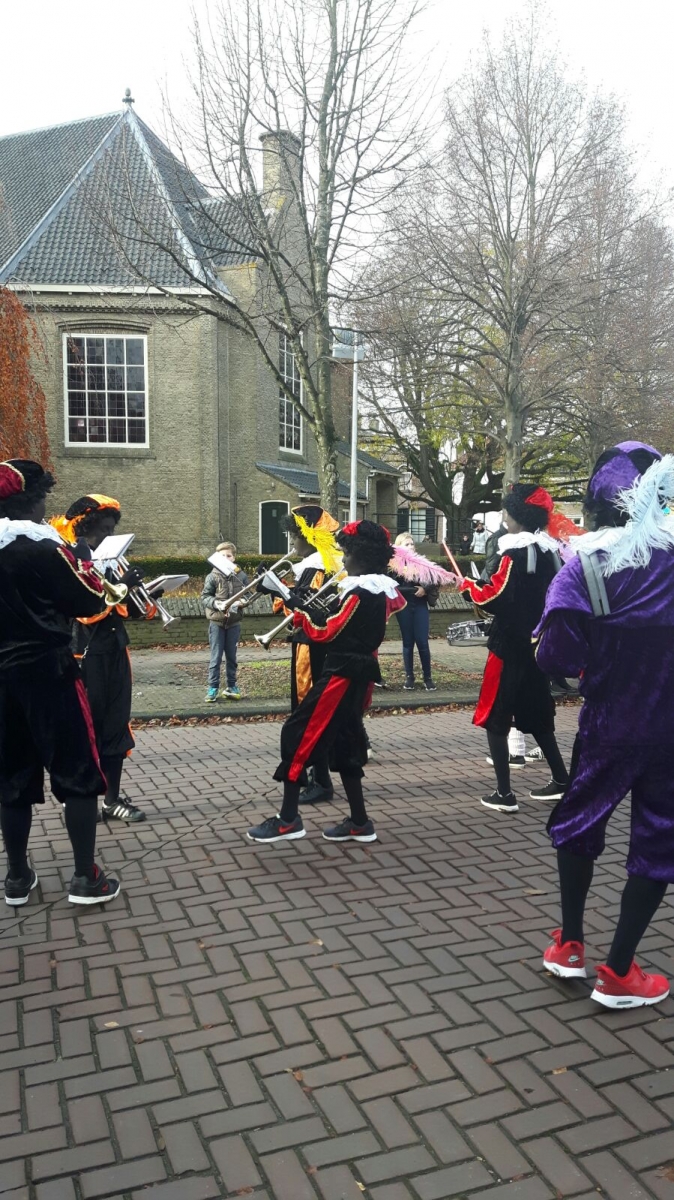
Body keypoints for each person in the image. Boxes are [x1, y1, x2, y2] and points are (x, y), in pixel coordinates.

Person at [537, 441, 674, 1009]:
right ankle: (619, 971)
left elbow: (557, 659)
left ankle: (570, 944)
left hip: (609, 723)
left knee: (580, 820)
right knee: (661, 837)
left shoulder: (584, 566)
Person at [0, 460, 120, 906]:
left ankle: (16, 877)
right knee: (77, 771)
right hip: (49, 671)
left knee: (11, 777)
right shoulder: (44, 548)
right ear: (32, 500)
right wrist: (88, 568)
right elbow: (88, 601)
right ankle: (86, 877)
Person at [247, 520, 406, 844]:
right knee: (346, 743)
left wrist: (293, 602)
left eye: (347, 553)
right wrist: (291, 595)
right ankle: (359, 822)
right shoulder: (376, 589)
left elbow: (325, 630)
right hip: (356, 673)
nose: (342, 559)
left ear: (361, 555)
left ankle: (288, 819)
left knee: (296, 732)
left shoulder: (360, 592)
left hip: (342, 674)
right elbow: (332, 616)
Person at [459, 483, 569, 813]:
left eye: (507, 512)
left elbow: (493, 596)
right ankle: (561, 779)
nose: (504, 518)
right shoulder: (551, 554)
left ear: (519, 516)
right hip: (536, 645)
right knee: (538, 714)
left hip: (507, 646)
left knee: (495, 715)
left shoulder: (513, 554)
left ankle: (504, 794)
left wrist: (467, 587)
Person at [51, 495, 148, 824]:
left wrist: (140, 594)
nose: (109, 536)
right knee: (84, 729)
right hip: (84, 655)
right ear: (85, 528)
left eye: (111, 529)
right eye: (104, 529)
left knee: (115, 726)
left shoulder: (110, 560)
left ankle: (111, 800)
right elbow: (85, 611)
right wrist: (120, 585)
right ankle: (78, 801)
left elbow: (124, 609)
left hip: (114, 650)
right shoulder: (71, 560)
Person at [262, 505, 342, 806]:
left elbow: (307, 610)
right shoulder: (318, 566)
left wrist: (279, 591)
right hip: (309, 642)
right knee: (308, 711)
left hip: (312, 645)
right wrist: (276, 589)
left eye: (294, 536)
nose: (291, 542)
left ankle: (320, 780)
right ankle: (312, 773)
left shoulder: (317, 567)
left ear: (308, 537)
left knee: (308, 711)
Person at [202, 541, 249, 701]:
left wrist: (242, 602)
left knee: (232, 657)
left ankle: (231, 686)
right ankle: (213, 687)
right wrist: (216, 604)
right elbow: (205, 597)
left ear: (233, 558)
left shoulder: (241, 576)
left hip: (234, 623)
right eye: (222, 556)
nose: (226, 558)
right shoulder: (212, 576)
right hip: (217, 622)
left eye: (228, 555)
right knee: (215, 657)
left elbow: (248, 595)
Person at [392, 532, 439, 691]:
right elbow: (392, 586)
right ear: (399, 546)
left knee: (422, 641)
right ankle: (409, 677)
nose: (411, 546)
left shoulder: (422, 563)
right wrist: (412, 590)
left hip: (419, 605)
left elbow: (435, 579)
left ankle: (428, 677)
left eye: (412, 544)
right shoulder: (393, 565)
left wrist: (424, 589)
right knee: (408, 642)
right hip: (404, 606)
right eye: (407, 544)